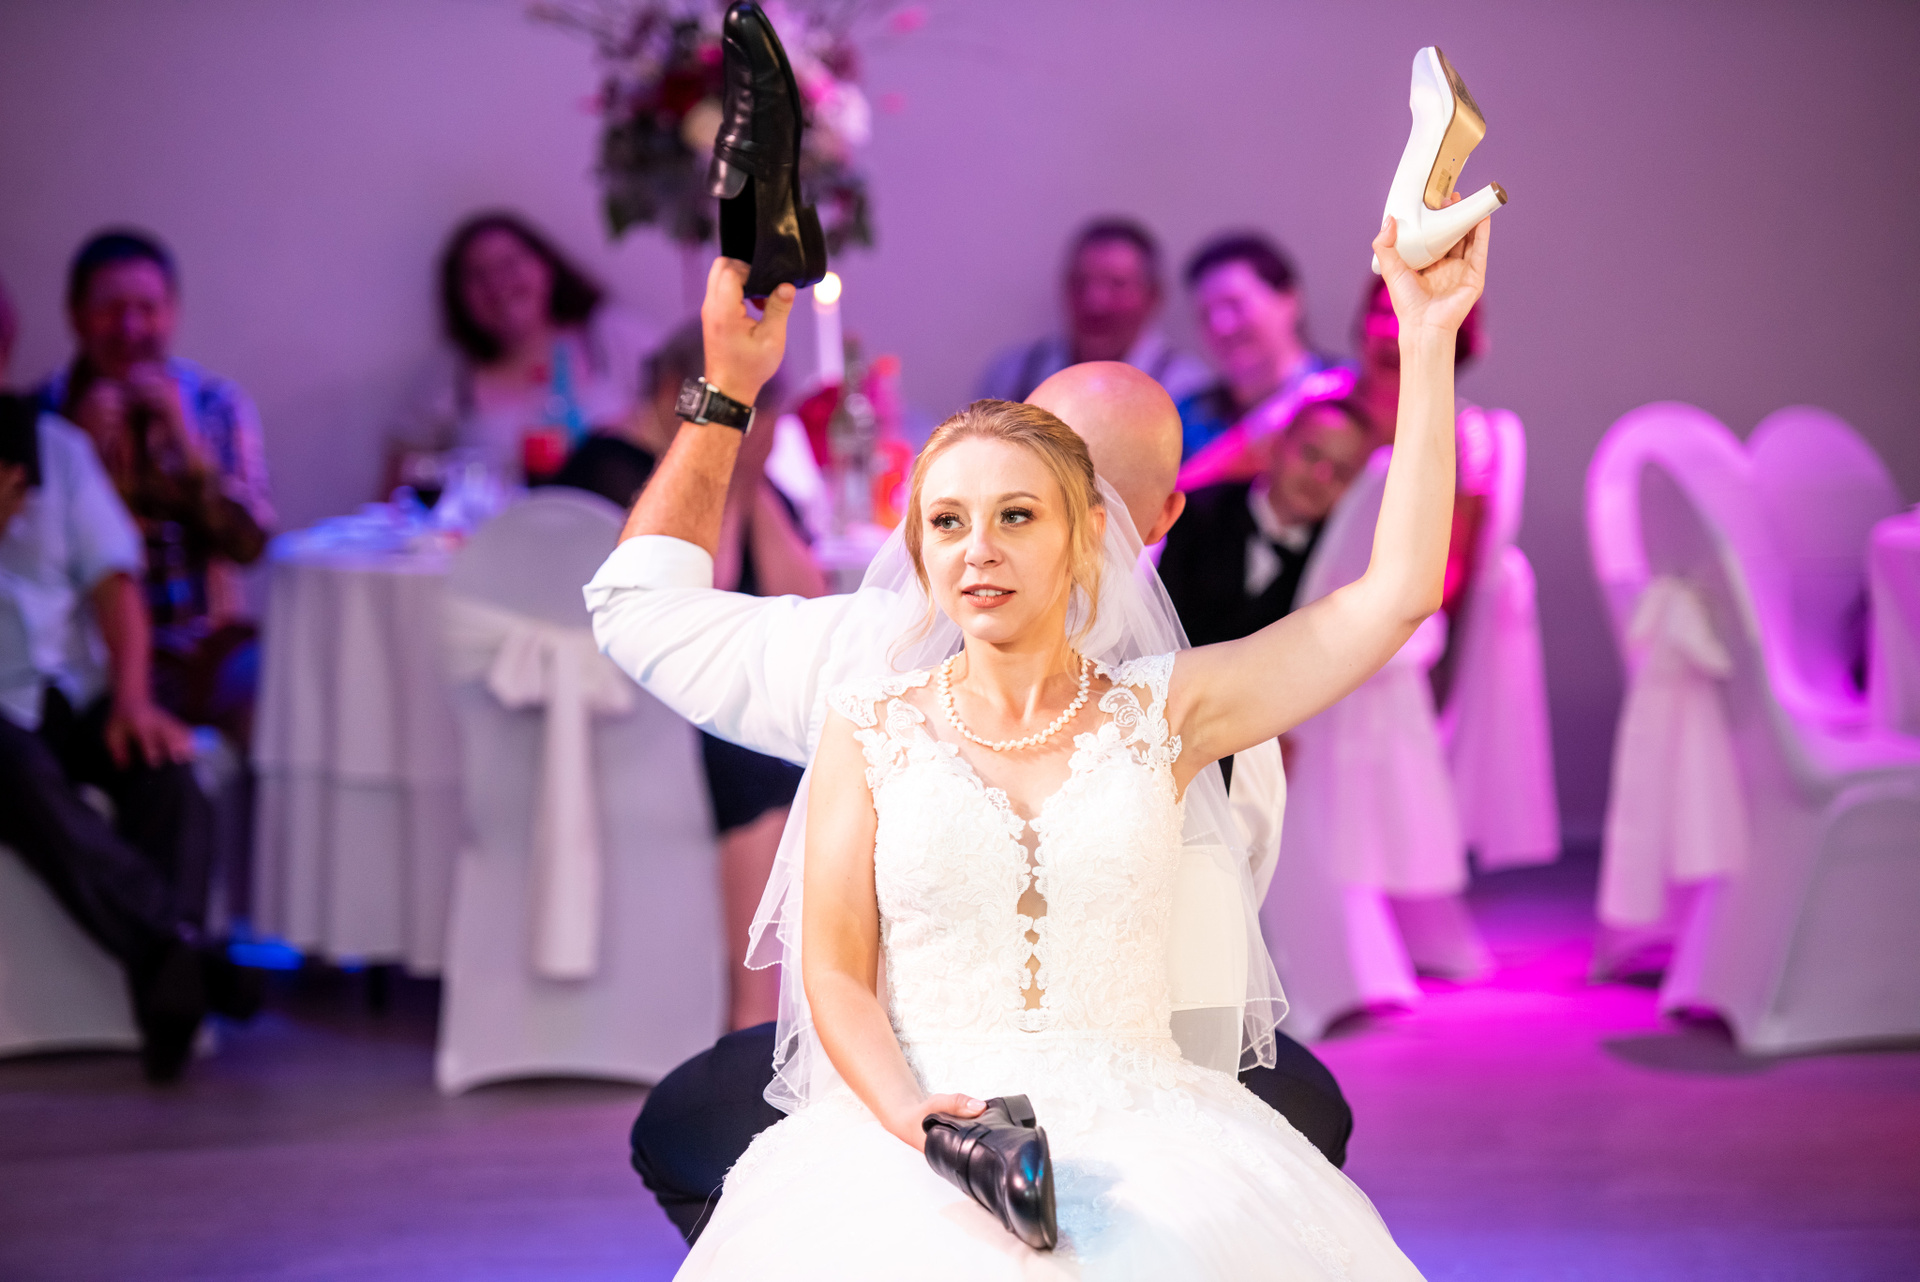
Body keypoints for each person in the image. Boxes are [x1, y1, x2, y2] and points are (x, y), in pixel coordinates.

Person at [656, 206, 1481, 1277]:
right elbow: (836, 974)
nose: (977, 550)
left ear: (1088, 532)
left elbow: (1398, 593)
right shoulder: (871, 726)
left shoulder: (1167, 709)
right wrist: (920, 1122)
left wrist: (1426, 335)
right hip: (922, 1125)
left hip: (1152, 1125)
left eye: (1016, 516)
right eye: (947, 522)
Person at [0, 272, 257, 1085]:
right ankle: (184, 956)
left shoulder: (53, 447)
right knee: (8, 760)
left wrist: (136, 700)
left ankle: (168, 993)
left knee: (168, 772)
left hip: (62, 690)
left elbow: (114, 583)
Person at [391, 211, 655, 487]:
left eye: (509, 265)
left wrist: (634, 430)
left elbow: (682, 399)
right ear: (458, 296)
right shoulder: (449, 377)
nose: (496, 285)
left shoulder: (609, 334)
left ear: (546, 266)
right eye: (477, 275)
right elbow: (398, 490)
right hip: (505, 516)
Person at [1159, 397, 1372, 652]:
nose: (1321, 476)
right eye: (1311, 454)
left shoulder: (1336, 567)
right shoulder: (1193, 511)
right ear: (1276, 445)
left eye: (1342, 471)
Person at [976, 218, 1210, 406]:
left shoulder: (1190, 392)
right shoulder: (1014, 376)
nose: (1095, 302)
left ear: (1154, 296)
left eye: (1117, 285)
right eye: (1081, 283)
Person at [1177, 231, 1343, 462]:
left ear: (1289, 299)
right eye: (1205, 314)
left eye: (1235, 305)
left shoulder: (1349, 391)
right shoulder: (1187, 419)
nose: (1221, 326)